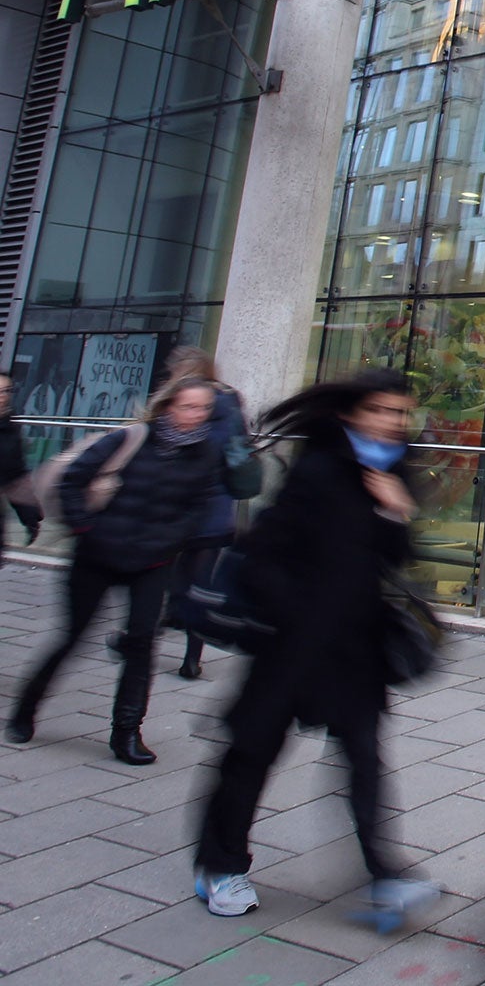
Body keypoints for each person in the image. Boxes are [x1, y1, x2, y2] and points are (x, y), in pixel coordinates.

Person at [192, 369, 438, 927]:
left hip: (354, 645)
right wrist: (292, 615)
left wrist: (395, 508)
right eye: (381, 410)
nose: (393, 422)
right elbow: (267, 551)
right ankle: (220, 863)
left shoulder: (394, 468)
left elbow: (394, 559)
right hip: (291, 643)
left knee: (363, 758)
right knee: (252, 752)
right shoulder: (320, 465)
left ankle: (386, 875)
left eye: (401, 413)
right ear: (352, 412)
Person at [6, 378, 224, 765]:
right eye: (188, 406)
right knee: (73, 637)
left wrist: (171, 541)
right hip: (98, 555)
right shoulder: (133, 439)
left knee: (141, 643)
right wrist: (88, 529)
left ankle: (126, 732)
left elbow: (200, 505)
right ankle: (26, 710)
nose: (196, 415)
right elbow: (73, 480)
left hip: (153, 562)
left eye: (203, 408)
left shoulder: (206, 453)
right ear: (169, 406)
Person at [160, 346, 252, 680]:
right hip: (217, 508)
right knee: (196, 581)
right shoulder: (231, 402)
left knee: (170, 578)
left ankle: (151, 630)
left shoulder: (185, 405)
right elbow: (238, 448)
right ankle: (191, 658)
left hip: (184, 508)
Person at [0, 371, 43, 563]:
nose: (3, 396)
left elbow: (15, 474)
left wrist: (29, 514)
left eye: (7, 390)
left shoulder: (10, 429)